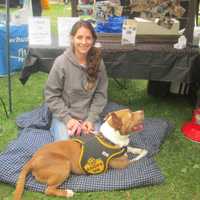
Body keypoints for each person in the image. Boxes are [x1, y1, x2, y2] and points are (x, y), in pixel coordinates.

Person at [44, 20, 108, 141]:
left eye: (88, 38)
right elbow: (51, 95)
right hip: (65, 116)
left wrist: (91, 119)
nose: (84, 42)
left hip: (89, 116)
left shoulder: (98, 63)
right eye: (79, 37)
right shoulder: (61, 62)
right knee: (66, 148)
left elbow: (101, 94)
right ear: (72, 38)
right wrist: (67, 120)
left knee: (96, 147)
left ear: (93, 40)